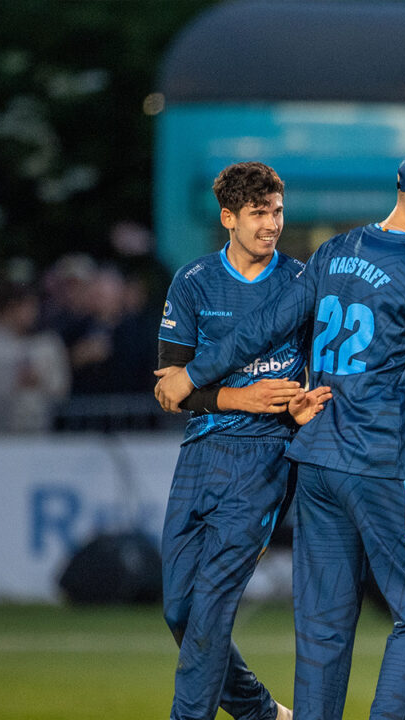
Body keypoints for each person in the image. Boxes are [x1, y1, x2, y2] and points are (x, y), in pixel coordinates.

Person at [154, 149, 405, 720]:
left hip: (314, 459)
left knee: (323, 625)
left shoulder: (334, 251)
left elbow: (265, 326)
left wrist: (193, 374)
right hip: (378, 457)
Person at [155, 161, 331, 720]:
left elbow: (323, 373)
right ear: (228, 218)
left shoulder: (301, 283)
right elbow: (169, 391)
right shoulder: (193, 282)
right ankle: (262, 713)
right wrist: (238, 397)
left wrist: (300, 409)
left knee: (209, 611)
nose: (271, 224)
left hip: (265, 457)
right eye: (258, 213)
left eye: (277, 211)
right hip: (200, 453)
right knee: (180, 611)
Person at [0, 285, 70, 433]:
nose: (31, 313)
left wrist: (39, 380)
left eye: (33, 307)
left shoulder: (48, 344)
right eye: (25, 307)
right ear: (10, 308)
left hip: (40, 431)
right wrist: (13, 382)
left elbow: (61, 388)